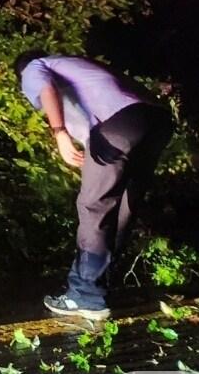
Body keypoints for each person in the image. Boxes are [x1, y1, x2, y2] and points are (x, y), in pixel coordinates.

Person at [14, 50, 174, 321]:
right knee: (122, 204)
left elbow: (45, 88)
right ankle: (99, 286)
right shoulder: (80, 66)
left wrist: (59, 133)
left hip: (120, 122)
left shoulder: (33, 67)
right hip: (157, 121)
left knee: (94, 206)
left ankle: (85, 295)